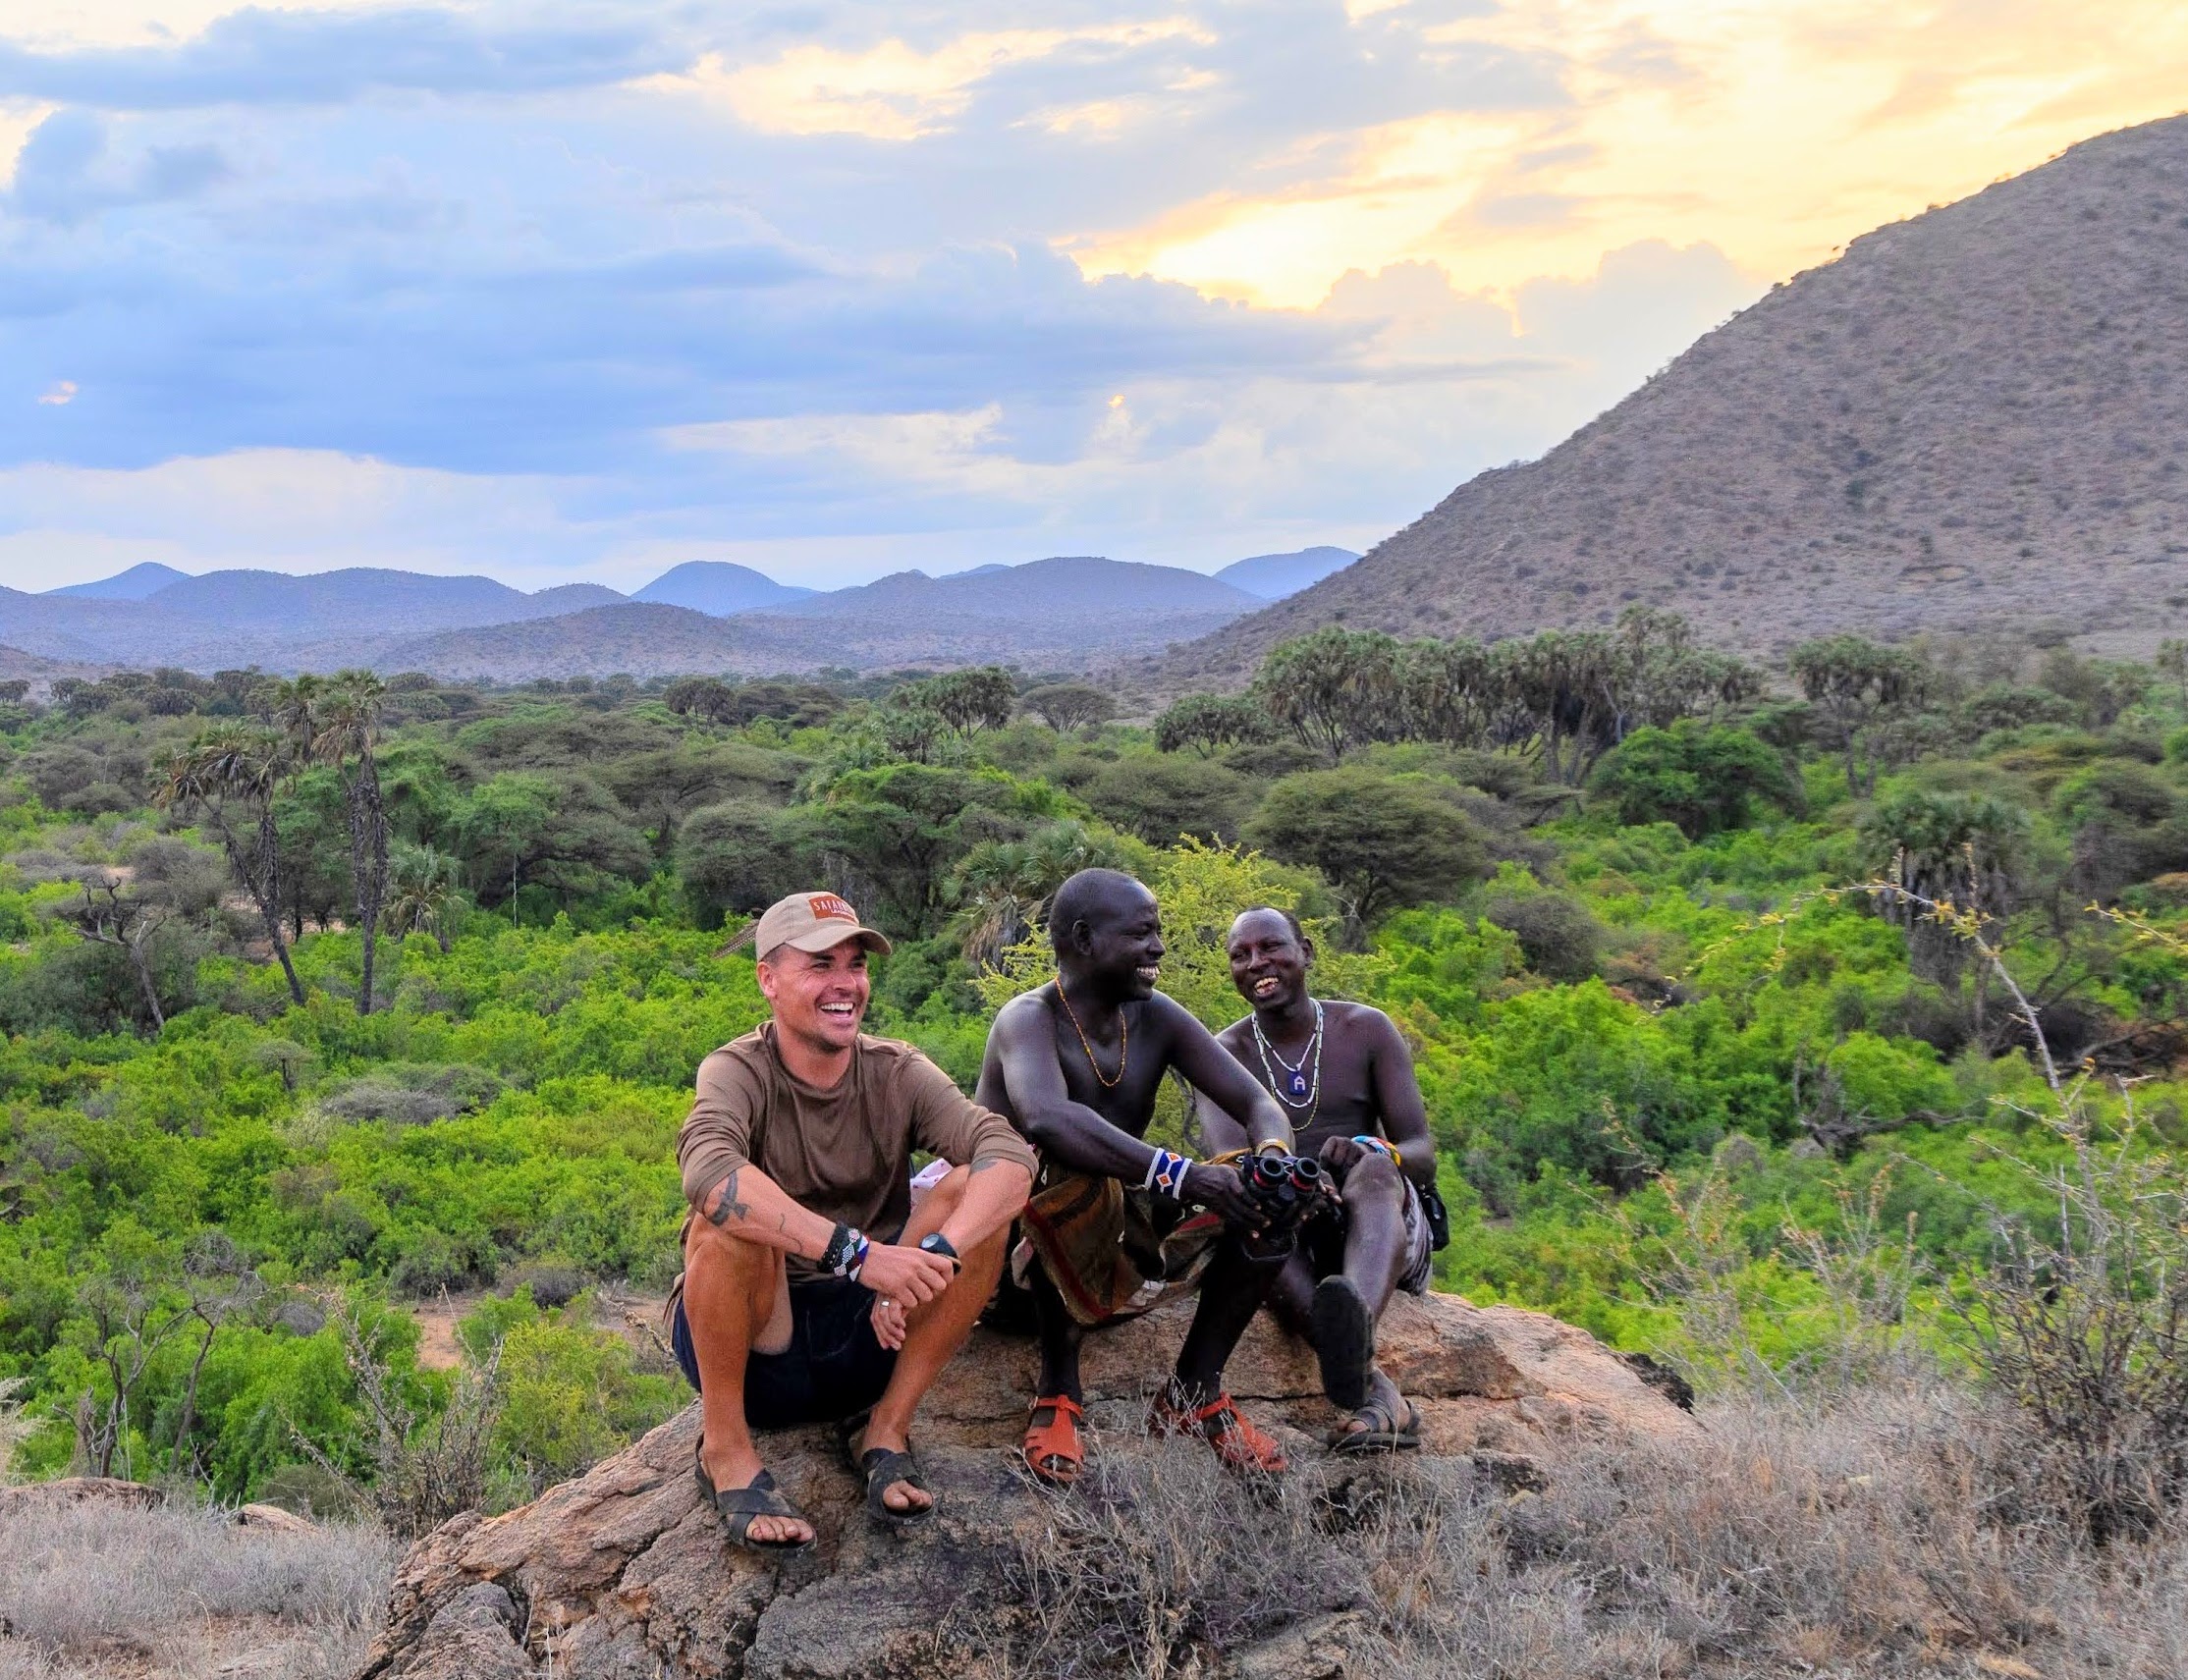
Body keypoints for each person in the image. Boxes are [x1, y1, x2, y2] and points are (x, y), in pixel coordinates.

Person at [670, 890, 1036, 1552]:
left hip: (873, 1335)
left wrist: (934, 1257)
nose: (846, 983)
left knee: (972, 1192)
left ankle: (885, 1428)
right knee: (722, 1224)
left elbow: (1008, 1153)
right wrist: (862, 1256)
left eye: (856, 963)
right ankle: (725, 1448)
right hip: (762, 1346)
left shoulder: (898, 1071)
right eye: (820, 964)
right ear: (768, 979)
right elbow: (708, 1171)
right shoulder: (735, 1071)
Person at [977, 868, 1301, 1486]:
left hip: (1116, 1248)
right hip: (1014, 1267)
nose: (1158, 948)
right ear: (1084, 939)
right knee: (1073, 1171)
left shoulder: (1155, 1016)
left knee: (1269, 1196)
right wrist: (1181, 1174)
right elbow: (1048, 1118)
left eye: (1158, 933)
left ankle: (1194, 1392)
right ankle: (1058, 1390)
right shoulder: (1028, 1019)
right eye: (1141, 934)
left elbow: (1259, 1105)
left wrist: (1273, 1157)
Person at [1214, 906, 1439, 1453]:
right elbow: (1231, 1161)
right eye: (1241, 955)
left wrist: (1370, 1147)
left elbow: (1422, 1152)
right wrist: (1294, 1183)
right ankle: (1376, 1392)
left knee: (1377, 1167)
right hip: (1291, 1233)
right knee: (1249, 1208)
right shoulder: (1224, 1055)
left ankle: (1352, 1322)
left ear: (1306, 952)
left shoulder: (1365, 1029)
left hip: (1379, 1229)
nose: (1256, 963)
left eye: (1271, 947)